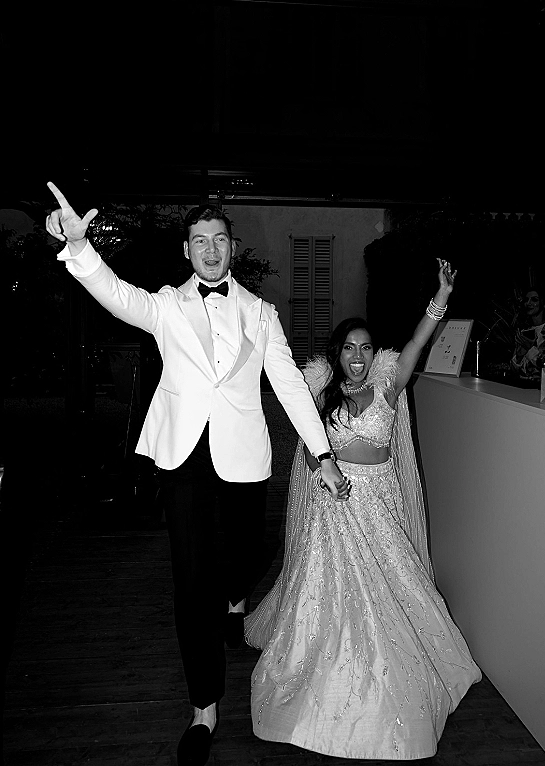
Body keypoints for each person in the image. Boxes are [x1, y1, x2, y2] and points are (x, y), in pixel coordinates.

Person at [45, 182, 348, 766]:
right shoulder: (165, 305)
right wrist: (81, 250)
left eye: (220, 240)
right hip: (183, 459)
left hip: (243, 459)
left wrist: (323, 454)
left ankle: (235, 598)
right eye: (199, 240)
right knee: (191, 585)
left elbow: (286, 382)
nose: (210, 249)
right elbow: (114, 295)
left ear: (232, 249)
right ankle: (203, 708)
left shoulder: (261, 313)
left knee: (248, 554)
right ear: (187, 252)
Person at [245, 259, 482, 761]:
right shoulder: (320, 393)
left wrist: (439, 299)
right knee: (324, 596)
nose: (357, 356)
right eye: (349, 348)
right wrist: (322, 471)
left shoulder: (389, 388)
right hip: (331, 508)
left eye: (365, 348)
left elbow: (417, 345)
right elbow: (309, 448)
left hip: (377, 503)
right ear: (339, 353)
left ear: (376, 355)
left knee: (393, 589)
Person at [510, 288, 545, 382]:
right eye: (526, 300)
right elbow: (513, 370)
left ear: (543, 303)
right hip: (521, 387)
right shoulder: (524, 331)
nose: (528, 303)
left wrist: (530, 349)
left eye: (534, 299)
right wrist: (519, 356)